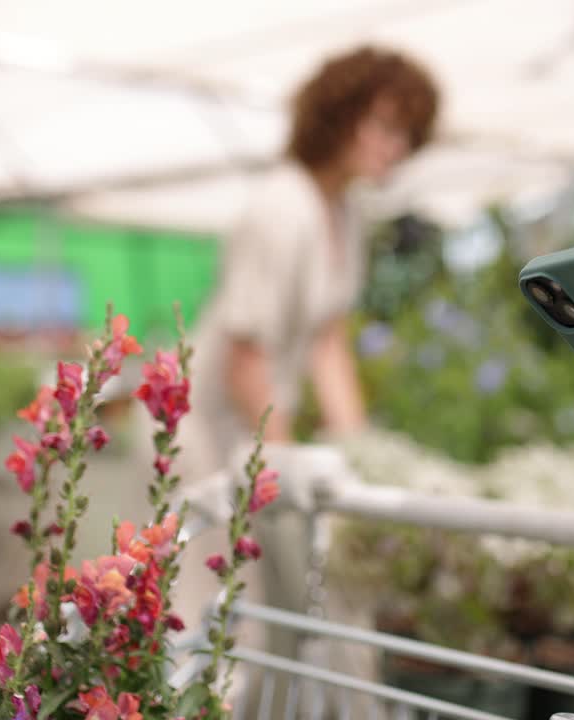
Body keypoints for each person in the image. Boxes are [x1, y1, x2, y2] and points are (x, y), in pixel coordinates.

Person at [167, 42, 439, 681]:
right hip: (214, 429)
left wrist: (358, 446)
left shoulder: (343, 211)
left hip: (259, 428)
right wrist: (285, 460)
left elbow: (326, 339)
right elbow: (244, 357)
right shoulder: (281, 206)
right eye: (384, 126)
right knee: (218, 612)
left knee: (275, 611)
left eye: (407, 135)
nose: (395, 147)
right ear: (337, 115)